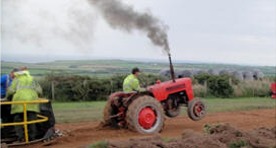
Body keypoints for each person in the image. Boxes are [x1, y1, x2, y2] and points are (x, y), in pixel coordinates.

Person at [7, 70, 42, 142]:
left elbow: (10, 91)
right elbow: (39, 91)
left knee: (18, 120)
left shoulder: (16, 80)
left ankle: (21, 138)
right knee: (31, 120)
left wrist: (7, 98)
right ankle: (32, 137)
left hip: (19, 103)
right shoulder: (32, 79)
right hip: (32, 102)